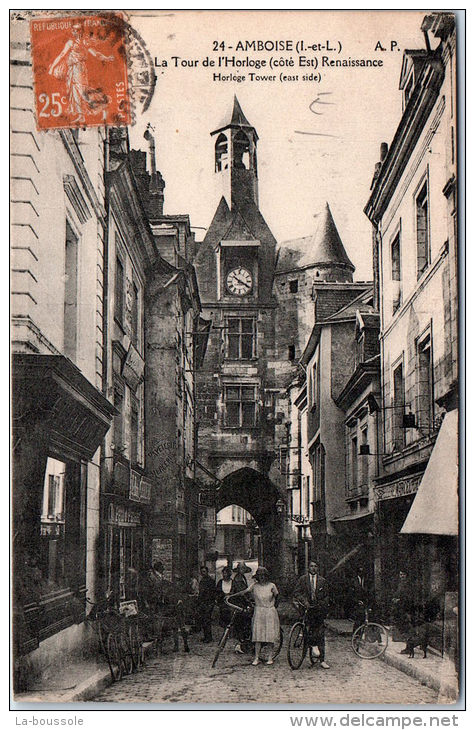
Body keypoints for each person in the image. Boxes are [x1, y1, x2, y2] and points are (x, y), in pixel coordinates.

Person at [47, 22, 114, 124]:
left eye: (77, 30)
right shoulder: (70, 43)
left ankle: (103, 102)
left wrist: (106, 58)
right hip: (72, 70)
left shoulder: (85, 43)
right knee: (74, 92)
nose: (74, 32)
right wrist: (52, 67)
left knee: (82, 92)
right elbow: (62, 55)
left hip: (80, 70)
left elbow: (95, 53)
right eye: (73, 30)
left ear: (81, 31)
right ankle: (80, 115)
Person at [237, 566, 280, 665]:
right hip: (259, 611)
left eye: (263, 575)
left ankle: (270, 657)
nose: (262, 577)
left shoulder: (272, 586)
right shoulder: (254, 586)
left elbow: (277, 596)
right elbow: (244, 592)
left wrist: (273, 607)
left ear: (266, 576)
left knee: (270, 635)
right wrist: (234, 596)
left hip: (269, 612)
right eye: (260, 576)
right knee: (258, 635)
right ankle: (256, 657)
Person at [293, 559, 330, 669]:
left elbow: (326, 596)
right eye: (311, 566)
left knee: (320, 633)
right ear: (308, 568)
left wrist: (321, 604)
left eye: (315, 566)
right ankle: (312, 646)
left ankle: (322, 659)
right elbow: (297, 592)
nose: (313, 568)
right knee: (308, 629)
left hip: (318, 610)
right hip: (306, 609)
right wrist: (304, 602)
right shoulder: (303, 579)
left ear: (318, 568)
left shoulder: (322, 581)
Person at [231, 561, 253, 654]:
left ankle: (245, 644)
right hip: (240, 604)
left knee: (244, 624)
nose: (242, 570)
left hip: (242, 603)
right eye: (241, 569)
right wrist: (249, 602)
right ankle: (241, 645)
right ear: (238, 570)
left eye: (244, 568)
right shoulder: (238, 579)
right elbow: (241, 593)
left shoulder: (242, 578)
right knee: (243, 623)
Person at [197, 565, 216, 643]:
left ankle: (209, 637)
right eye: (201, 572)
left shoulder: (210, 581)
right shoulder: (202, 581)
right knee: (204, 620)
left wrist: (211, 603)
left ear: (207, 572)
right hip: (203, 603)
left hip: (208, 603)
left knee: (207, 620)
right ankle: (206, 636)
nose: (203, 573)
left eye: (204, 572)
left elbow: (212, 593)